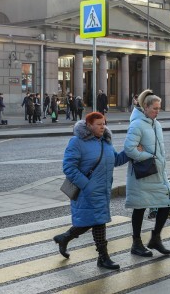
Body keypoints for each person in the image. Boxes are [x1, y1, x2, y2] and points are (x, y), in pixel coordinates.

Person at [53, 112, 130, 270]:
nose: (103, 127)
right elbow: (69, 168)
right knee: (98, 222)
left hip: (102, 190)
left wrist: (130, 152)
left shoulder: (105, 142)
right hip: (86, 191)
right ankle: (103, 257)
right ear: (88, 125)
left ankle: (64, 238)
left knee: (94, 220)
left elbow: (115, 160)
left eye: (104, 123)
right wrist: (87, 185)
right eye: (99, 124)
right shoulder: (77, 142)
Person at [124, 89, 170, 257]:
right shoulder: (137, 124)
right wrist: (149, 157)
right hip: (143, 174)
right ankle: (136, 243)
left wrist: (158, 161)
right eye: (154, 108)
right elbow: (129, 149)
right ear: (145, 107)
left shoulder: (157, 124)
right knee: (140, 208)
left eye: (159, 108)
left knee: (167, 202)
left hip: (158, 173)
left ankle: (155, 238)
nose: (157, 111)